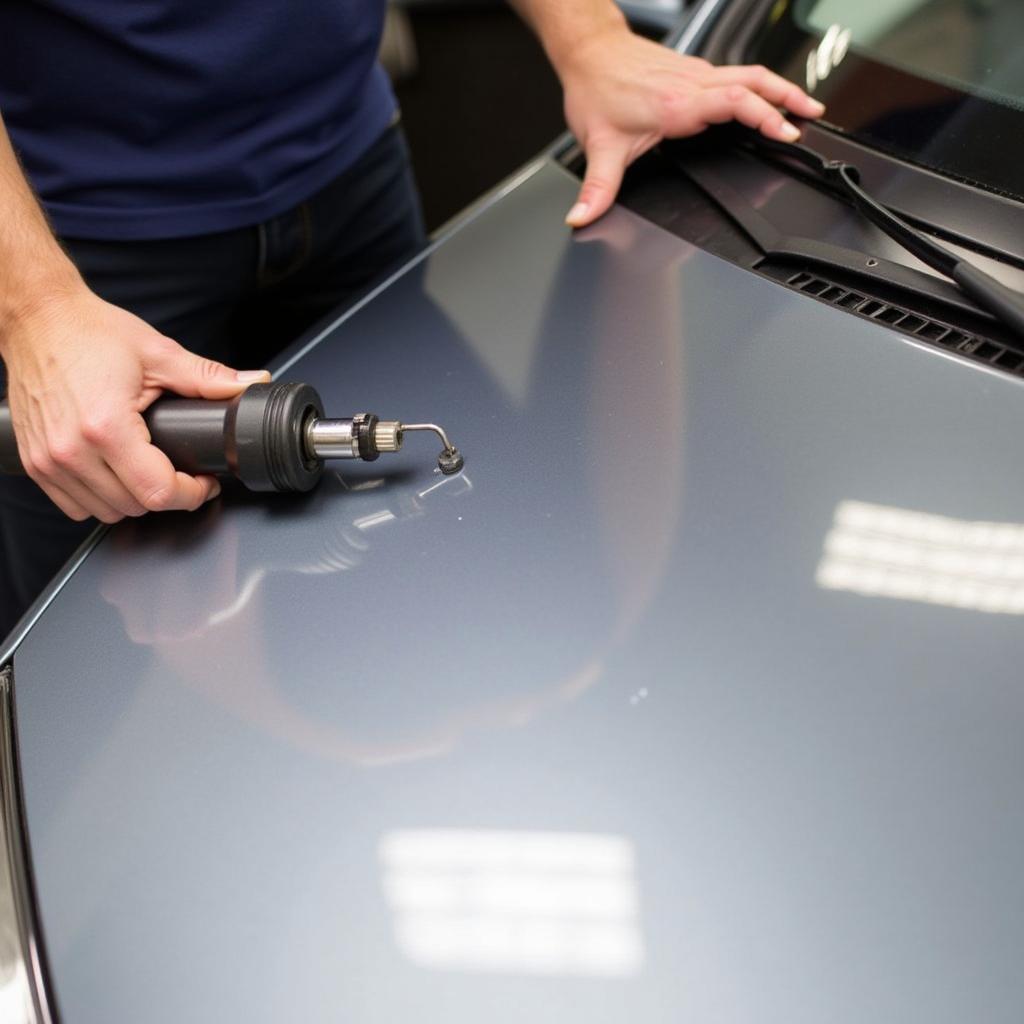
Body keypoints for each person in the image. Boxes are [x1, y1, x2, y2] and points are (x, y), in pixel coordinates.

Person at [0, 0, 823, 638]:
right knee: (89, 636)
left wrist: (591, 41)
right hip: (69, 247)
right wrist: (34, 309)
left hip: (351, 164)